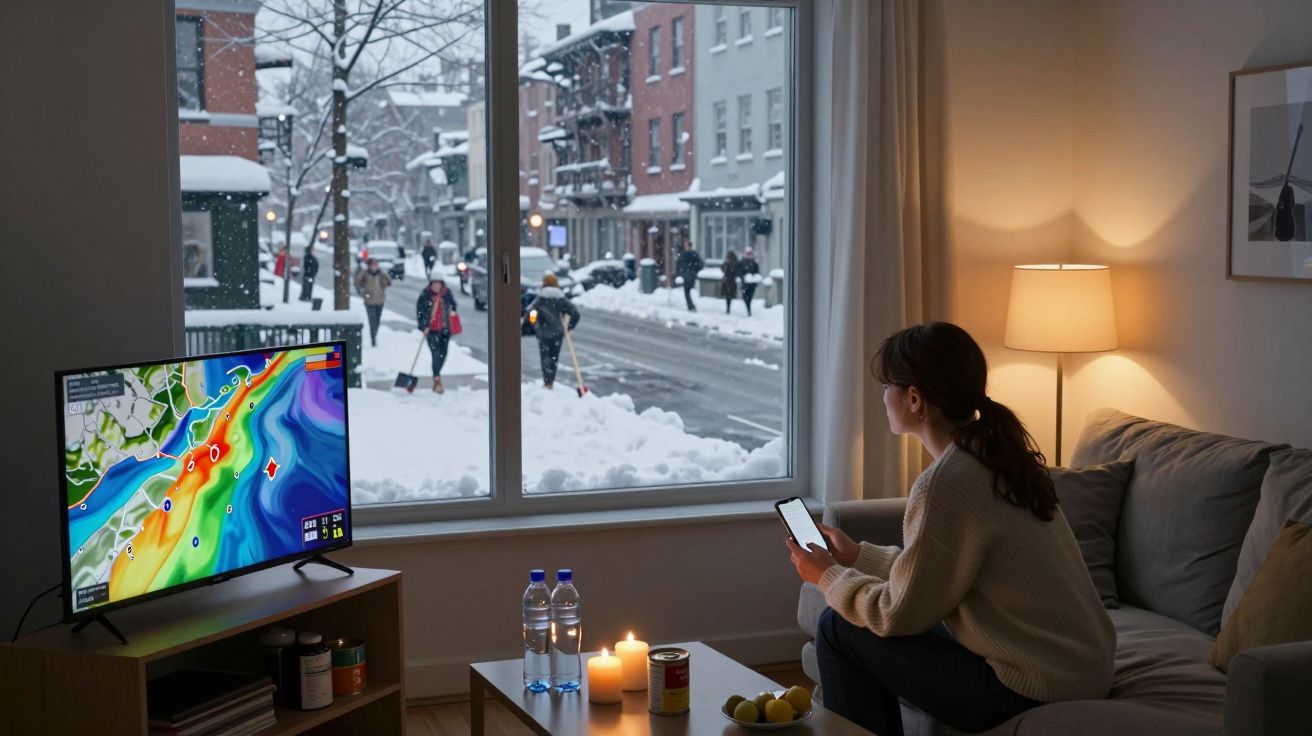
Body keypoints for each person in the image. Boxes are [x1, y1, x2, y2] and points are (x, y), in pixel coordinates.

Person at [787, 322, 1115, 736]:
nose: (883, 397)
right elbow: (938, 574)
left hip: (1032, 686)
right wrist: (858, 557)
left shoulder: (947, 482)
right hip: (1082, 668)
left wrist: (827, 577)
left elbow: (894, 615)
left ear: (915, 399)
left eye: (887, 385)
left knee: (838, 628)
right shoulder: (995, 454)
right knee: (873, 621)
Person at [523, 272, 580, 390]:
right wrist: (568, 328)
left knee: (545, 358)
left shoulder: (540, 298)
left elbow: (531, 313)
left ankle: (547, 382)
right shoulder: (561, 298)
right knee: (554, 358)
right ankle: (551, 381)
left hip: (543, 333)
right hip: (557, 333)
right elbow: (575, 313)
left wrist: (533, 324)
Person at [416, 276, 458, 393]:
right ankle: (437, 379)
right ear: (431, 284)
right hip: (431, 330)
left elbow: (454, 305)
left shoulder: (446, 293)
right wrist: (424, 326)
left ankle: (436, 374)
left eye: (438, 284)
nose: (437, 286)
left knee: (443, 354)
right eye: (434, 284)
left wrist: (451, 309)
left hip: (445, 329)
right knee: (436, 353)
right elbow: (420, 312)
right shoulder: (425, 295)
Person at [353, 257, 391, 347]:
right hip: (369, 302)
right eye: (372, 265)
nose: (374, 267)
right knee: (372, 321)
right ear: (369, 266)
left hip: (380, 301)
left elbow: (389, 282)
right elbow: (357, 281)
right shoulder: (365, 274)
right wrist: (362, 293)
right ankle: (373, 338)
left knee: (377, 321)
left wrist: (384, 274)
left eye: (375, 265)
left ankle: (374, 334)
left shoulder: (380, 274)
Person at [674, 239, 703, 312]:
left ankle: (691, 306)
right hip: (686, 276)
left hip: (690, 276)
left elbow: (700, 264)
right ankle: (690, 306)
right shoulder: (683, 255)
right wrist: (679, 273)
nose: (686, 247)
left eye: (687, 246)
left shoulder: (693, 255)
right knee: (686, 292)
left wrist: (694, 271)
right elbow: (679, 264)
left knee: (687, 291)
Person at [738, 246, 761, 316]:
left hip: (752, 283)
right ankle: (748, 308)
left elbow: (757, 271)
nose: (749, 254)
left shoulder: (754, 262)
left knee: (750, 297)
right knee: (745, 296)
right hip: (745, 283)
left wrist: (754, 278)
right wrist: (743, 277)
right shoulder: (742, 262)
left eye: (750, 253)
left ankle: (749, 309)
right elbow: (739, 271)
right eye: (748, 253)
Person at [720, 250, 740, 314]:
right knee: (728, 296)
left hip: (729, 281)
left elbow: (726, 270)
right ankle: (728, 309)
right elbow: (723, 268)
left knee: (728, 296)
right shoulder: (731, 263)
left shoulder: (732, 263)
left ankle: (728, 309)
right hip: (730, 281)